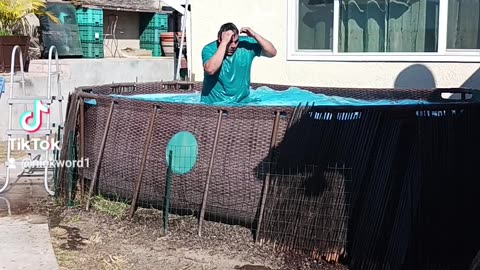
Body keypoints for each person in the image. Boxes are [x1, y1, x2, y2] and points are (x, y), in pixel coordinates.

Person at [201, 23, 277, 104]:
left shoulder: (245, 45)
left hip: (241, 104)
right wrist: (224, 43)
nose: (233, 45)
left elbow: (272, 53)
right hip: (214, 104)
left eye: (236, 41)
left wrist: (255, 35)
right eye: (229, 42)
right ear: (220, 39)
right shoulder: (209, 49)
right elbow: (210, 69)